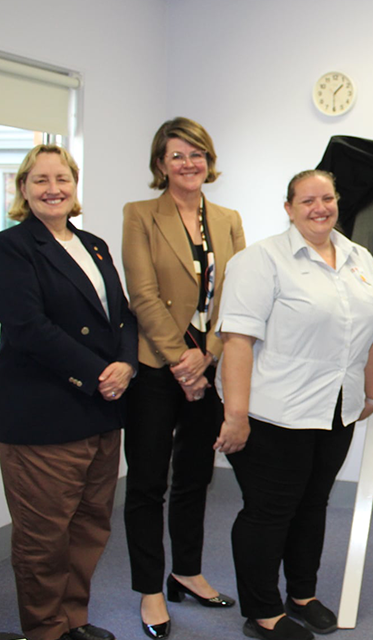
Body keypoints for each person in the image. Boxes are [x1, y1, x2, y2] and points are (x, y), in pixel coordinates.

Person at [214, 169, 373, 640]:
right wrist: (234, 415)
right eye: (307, 200)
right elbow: (237, 341)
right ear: (289, 208)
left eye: (327, 198)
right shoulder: (260, 260)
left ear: (338, 202)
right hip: (275, 411)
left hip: (337, 409)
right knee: (270, 511)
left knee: (313, 504)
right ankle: (263, 611)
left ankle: (302, 594)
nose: (319, 208)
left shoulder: (359, 258)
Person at [0, 145, 138, 640]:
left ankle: (73, 620)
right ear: (23, 189)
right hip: (43, 416)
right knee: (43, 539)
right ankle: (44, 630)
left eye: (62, 178)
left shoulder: (94, 244)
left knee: (89, 527)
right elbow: (27, 329)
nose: (53, 188)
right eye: (40, 180)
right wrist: (99, 372)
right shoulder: (11, 247)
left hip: (100, 412)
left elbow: (123, 315)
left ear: (75, 186)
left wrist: (125, 363)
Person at [122, 117, 244, 639]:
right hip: (157, 365)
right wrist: (180, 360)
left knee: (196, 476)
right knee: (148, 482)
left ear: (209, 161)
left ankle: (185, 572)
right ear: (159, 165)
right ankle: (150, 590)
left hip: (209, 364)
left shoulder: (228, 218)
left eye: (197, 154)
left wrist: (209, 354)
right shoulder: (140, 215)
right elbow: (142, 294)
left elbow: (237, 295)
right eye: (177, 156)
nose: (189, 163)